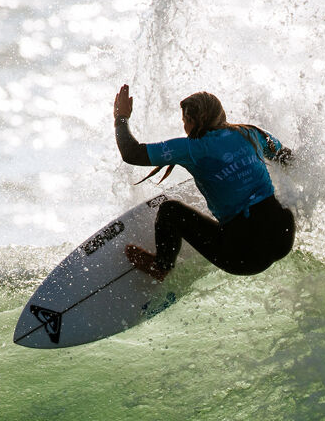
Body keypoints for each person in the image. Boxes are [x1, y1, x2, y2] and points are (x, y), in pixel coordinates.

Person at [112, 84, 295, 281]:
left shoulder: (191, 148)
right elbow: (286, 157)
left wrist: (121, 118)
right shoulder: (249, 133)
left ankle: (161, 266)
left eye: (184, 122)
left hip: (244, 256)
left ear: (191, 122)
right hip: (284, 235)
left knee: (170, 211)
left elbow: (131, 153)